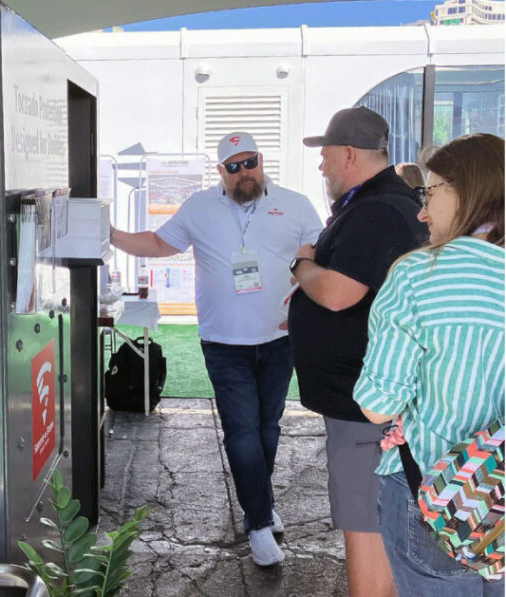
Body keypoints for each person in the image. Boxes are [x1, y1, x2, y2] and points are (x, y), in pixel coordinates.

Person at [109, 132, 323, 566]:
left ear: (262, 162)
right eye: (234, 166)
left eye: (251, 162)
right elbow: (156, 243)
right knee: (243, 431)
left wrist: (306, 269)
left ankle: (259, 502)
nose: (245, 172)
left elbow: (319, 245)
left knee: (268, 428)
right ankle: (259, 524)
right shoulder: (199, 207)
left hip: (281, 338)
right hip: (224, 342)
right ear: (221, 172)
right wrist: (108, 234)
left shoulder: (296, 204)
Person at [354, 133, 505, 595]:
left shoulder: (418, 275)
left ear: (465, 190)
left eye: (430, 192)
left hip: (437, 496)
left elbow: (378, 406)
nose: (422, 211)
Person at [289, 106, 428, 597]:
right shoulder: (378, 203)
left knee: (365, 522)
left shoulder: (375, 211)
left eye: (325, 156)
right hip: (366, 401)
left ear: (349, 154)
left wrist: (303, 266)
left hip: (364, 405)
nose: (322, 167)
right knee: (374, 517)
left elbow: (338, 293)